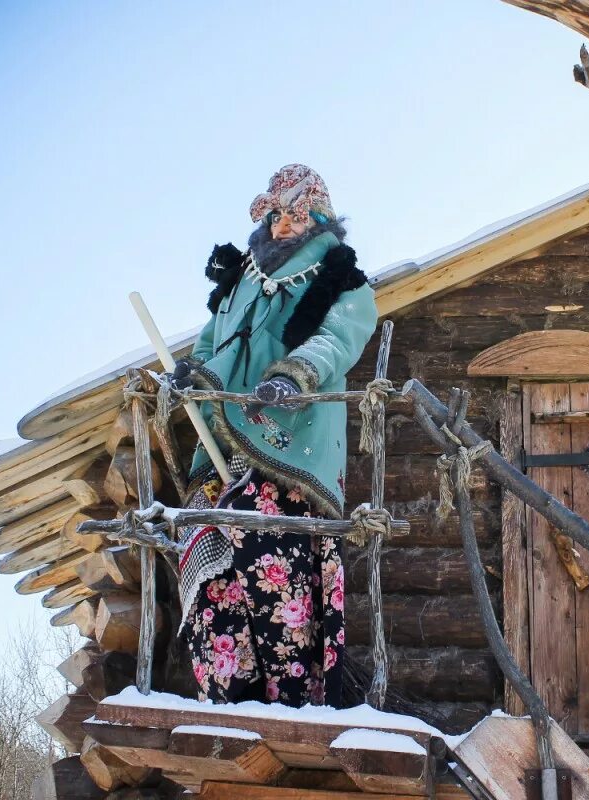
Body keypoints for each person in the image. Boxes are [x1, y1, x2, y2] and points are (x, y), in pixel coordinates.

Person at [172, 164, 378, 707]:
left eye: (296, 213)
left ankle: (291, 699)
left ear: (317, 218)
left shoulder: (339, 277)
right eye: (276, 214)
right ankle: (229, 694)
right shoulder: (239, 281)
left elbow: (340, 336)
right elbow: (210, 342)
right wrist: (194, 375)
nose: (284, 224)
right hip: (220, 447)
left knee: (273, 556)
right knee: (205, 548)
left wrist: (295, 373)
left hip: (290, 445)